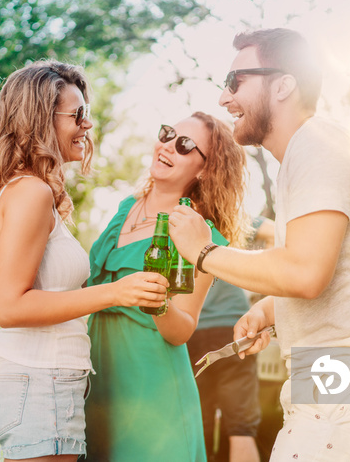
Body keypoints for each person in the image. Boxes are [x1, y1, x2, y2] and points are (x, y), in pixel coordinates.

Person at [169, 28, 350, 461]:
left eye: (235, 83)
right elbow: (322, 269)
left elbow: (305, 274)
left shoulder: (317, 146)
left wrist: (204, 253)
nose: (225, 99)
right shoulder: (304, 157)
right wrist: (270, 309)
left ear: (283, 84)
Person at [0, 60, 169, 462]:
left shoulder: (27, 191)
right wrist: (116, 292)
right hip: (40, 382)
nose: (87, 125)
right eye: (78, 115)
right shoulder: (30, 193)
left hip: (41, 381)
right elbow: (8, 305)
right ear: (39, 120)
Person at [85, 112, 248, 461]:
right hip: (100, 378)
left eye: (185, 145)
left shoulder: (199, 234)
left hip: (152, 388)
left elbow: (183, 329)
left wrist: (158, 301)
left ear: (205, 169)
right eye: (167, 134)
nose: (169, 146)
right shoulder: (126, 207)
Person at [186, 216, 274, 462]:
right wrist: (260, 282)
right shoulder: (233, 218)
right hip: (233, 329)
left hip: (190, 330)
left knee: (197, 427)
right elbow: (278, 233)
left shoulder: (180, 222)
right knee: (241, 428)